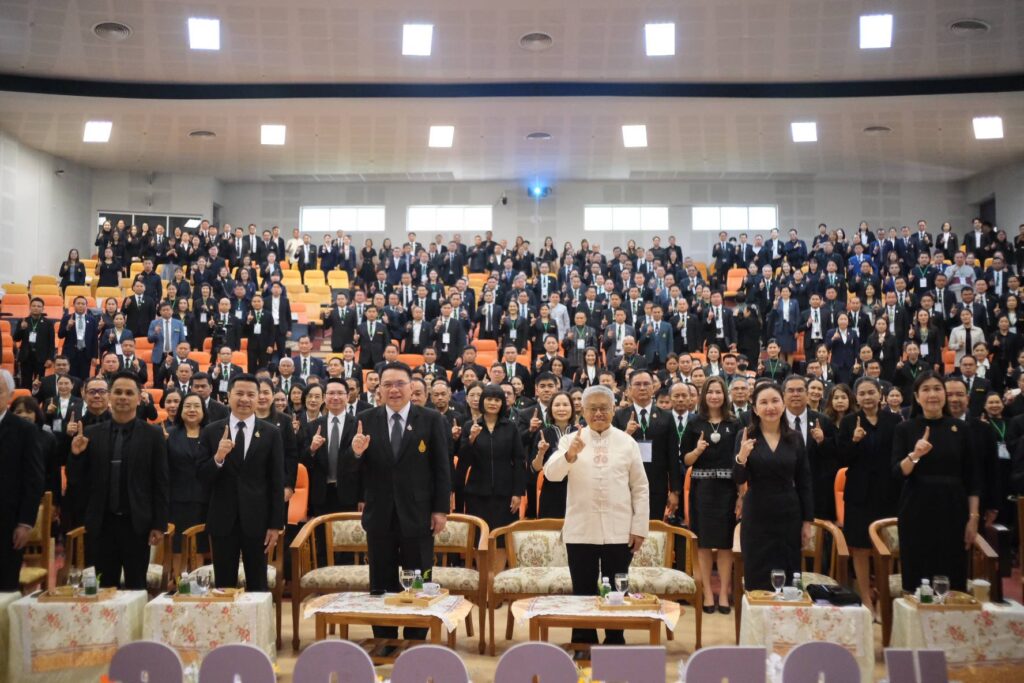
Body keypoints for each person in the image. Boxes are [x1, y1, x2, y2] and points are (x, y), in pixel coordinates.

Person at [342, 362, 451, 643]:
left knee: (419, 577)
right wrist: (356, 453)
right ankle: (385, 639)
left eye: (400, 384)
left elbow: (442, 468)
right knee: (381, 579)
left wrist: (441, 510)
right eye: (387, 384)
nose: (394, 390)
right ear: (378, 389)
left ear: (411, 387)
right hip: (380, 513)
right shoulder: (365, 419)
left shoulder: (431, 419)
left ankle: (415, 638)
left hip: (419, 514)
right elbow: (349, 470)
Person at [544, 384, 649, 648]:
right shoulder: (571, 440)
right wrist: (570, 454)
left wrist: (639, 528)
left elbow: (640, 487)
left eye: (604, 408)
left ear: (613, 410)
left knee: (617, 590)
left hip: (619, 530)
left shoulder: (627, 442)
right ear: (583, 411)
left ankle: (615, 641)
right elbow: (551, 474)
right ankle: (583, 643)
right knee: (583, 591)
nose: (598, 413)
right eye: (593, 409)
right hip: (581, 529)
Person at [68, 371, 169, 589]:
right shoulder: (91, 434)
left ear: (139, 398)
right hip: (102, 524)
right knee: (104, 589)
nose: (123, 397)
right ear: (110, 396)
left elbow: (160, 482)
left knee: (136, 588)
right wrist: (75, 456)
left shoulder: (153, 435)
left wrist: (159, 524)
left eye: (129, 393)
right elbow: (76, 480)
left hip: (137, 525)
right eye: (118, 392)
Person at [891, 372, 980, 592]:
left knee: (953, 577)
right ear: (917, 396)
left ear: (945, 394)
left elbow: (972, 478)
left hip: (954, 508)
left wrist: (973, 518)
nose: (932, 394)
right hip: (916, 509)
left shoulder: (961, 429)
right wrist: (915, 454)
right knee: (917, 581)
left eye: (937, 389)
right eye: (926, 389)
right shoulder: (905, 428)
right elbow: (898, 472)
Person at [197, 374, 285, 591]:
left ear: (257, 398)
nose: (245, 399)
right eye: (239, 393)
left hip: (258, 521)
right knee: (224, 586)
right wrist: (218, 458)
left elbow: (276, 481)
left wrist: (275, 524)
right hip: (222, 519)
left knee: (258, 585)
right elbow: (201, 476)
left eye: (250, 394)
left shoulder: (271, 433)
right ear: (229, 395)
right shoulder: (211, 431)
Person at [733, 382, 814, 590]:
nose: (770, 407)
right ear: (755, 409)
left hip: (788, 513)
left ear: (783, 404)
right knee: (757, 575)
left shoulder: (795, 438)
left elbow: (804, 481)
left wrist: (807, 522)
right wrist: (742, 457)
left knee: (788, 576)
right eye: (764, 402)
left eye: (775, 401)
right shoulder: (745, 436)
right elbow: (739, 478)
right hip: (757, 513)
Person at [836, 377, 900, 617]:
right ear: (856, 397)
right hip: (859, 494)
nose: (867, 397)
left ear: (880, 394)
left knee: (885, 549)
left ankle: (883, 597)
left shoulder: (894, 421)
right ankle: (865, 598)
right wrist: (854, 441)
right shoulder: (849, 422)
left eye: (870, 392)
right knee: (860, 547)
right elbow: (841, 458)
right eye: (862, 393)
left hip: (888, 493)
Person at [682, 376, 741, 614]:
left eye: (718, 392)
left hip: (728, 491)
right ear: (703, 396)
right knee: (704, 544)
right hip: (702, 491)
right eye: (710, 392)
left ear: (725, 395)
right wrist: (697, 451)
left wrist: (741, 494)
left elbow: (741, 462)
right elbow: (685, 460)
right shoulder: (694, 422)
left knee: (726, 544)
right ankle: (707, 592)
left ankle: (724, 592)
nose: (714, 396)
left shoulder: (734, 423)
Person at [458, 384, 526, 558]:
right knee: (478, 538)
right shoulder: (470, 426)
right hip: (477, 492)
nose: (493, 403)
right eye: (489, 399)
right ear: (482, 401)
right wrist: (471, 439)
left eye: (497, 400)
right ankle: (481, 573)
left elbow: (519, 460)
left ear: (502, 403)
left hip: (505, 493)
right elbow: (463, 461)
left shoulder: (510, 427)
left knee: (502, 538)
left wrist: (518, 492)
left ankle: (498, 573)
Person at [611, 370, 681, 521]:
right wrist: (626, 433)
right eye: (637, 384)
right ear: (629, 389)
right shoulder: (619, 416)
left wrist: (675, 491)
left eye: (646, 384)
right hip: (626, 484)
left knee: (653, 528)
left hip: (657, 484)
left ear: (653, 387)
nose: (642, 388)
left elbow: (673, 455)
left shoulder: (667, 416)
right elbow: (612, 451)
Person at [0, 371, 45, 590]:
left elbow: (33, 479)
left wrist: (25, 522)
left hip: (7, 523)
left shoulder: (24, 429)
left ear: (10, 396)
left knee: (4, 590)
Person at [165, 392, 208, 576]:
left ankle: (199, 584)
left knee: (199, 546)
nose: (192, 410)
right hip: (176, 499)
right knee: (178, 547)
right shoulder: (170, 434)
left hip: (204, 500)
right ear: (181, 410)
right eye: (187, 406)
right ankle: (178, 583)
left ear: (203, 411)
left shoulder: (211, 434)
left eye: (197, 406)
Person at [529, 392, 578, 519]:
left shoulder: (579, 433)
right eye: (557, 405)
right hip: (551, 491)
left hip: (577, 491)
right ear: (550, 409)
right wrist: (541, 453)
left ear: (572, 408)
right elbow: (535, 468)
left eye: (565, 405)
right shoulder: (543, 433)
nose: (561, 408)